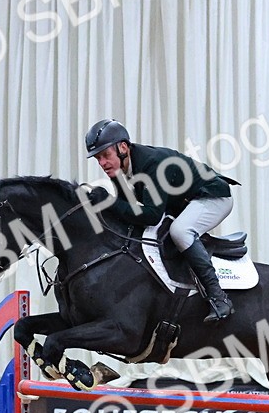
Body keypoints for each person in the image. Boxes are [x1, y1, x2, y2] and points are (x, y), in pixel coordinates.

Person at [84, 118, 234, 323]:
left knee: (180, 231)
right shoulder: (119, 167)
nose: (102, 163)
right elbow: (126, 211)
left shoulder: (151, 163)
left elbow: (151, 216)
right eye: (97, 158)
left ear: (123, 147)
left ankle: (219, 298)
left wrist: (109, 202)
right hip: (183, 203)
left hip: (213, 197)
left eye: (105, 155)